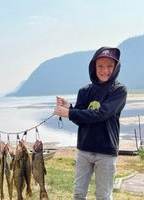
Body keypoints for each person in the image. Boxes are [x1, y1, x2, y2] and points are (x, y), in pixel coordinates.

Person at [53, 47, 127, 200]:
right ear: (94, 67)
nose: (104, 70)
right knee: (78, 194)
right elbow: (81, 120)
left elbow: (101, 114)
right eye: (100, 66)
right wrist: (70, 108)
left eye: (109, 66)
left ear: (116, 67)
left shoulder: (119, 91)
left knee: (103, 196)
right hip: (84, 150)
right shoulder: (84, 91)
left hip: (106, 151)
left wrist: (69, 113)